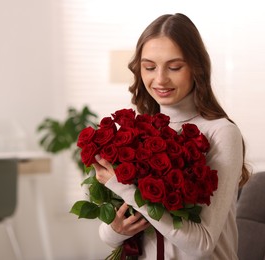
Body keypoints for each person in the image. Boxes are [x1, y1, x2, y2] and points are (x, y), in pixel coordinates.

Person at [92, 13, 251, 260]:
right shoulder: (140, 132)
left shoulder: (221, 132)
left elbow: (202, 245)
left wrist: (122, 186)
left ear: (196, 68)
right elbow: (107, 235)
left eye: (174, 67)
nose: (160, 79)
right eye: (149, 67)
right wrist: (117, 229)